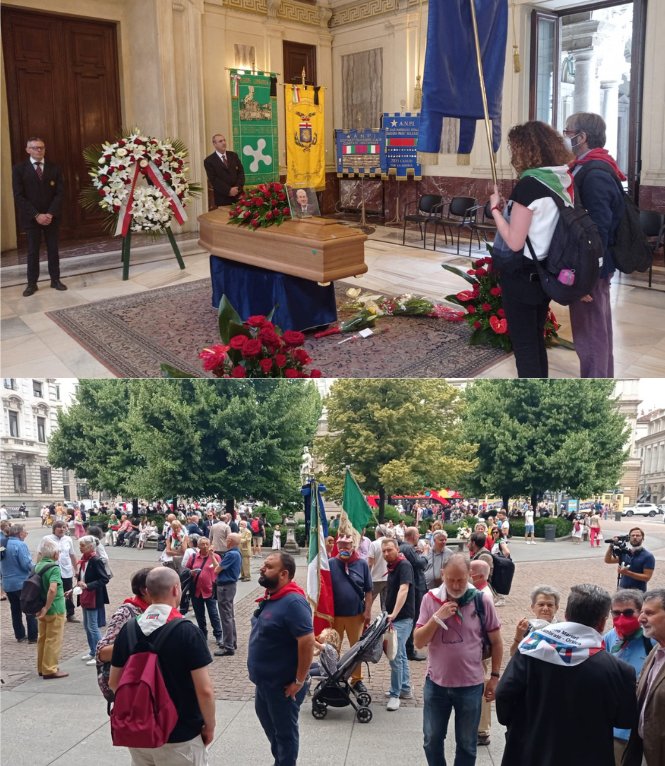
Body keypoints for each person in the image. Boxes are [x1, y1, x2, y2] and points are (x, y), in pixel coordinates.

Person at [496, 583, 638, 766]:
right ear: (602, 622)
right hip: (589, 757)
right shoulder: (620, 670)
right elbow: (625, 719)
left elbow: (504, 696)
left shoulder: (531, 650)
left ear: (566, 615)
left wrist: (521, 725)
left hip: (531, 752)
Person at [489, 121, 575, 377]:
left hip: (522, 276)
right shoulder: (563, 179)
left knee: (525, 346)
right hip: (547, 269)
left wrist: (495, 210)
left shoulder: (529, 186)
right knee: (536, 339)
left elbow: (515, 241)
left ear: (524, 150)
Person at [110, 567, 215, 766]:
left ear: (147, 592)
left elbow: (115, 682)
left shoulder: (129, 629)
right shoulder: (187, 631)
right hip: (180, 733)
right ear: (177, 589)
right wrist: (209, 725)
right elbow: (205, 690)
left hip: (140, 732)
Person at [414, 553, 503, 764]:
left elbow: (497, 642)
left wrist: (495, 676)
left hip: (470, 685)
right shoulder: (431, 599)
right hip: (436, 684)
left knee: (467, 743)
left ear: (469, 576)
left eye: (460, 579)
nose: (455, 585)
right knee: (432, 738)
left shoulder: (481, 600)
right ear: (443, 575)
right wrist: (437, 617)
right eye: (451, 579)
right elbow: (418, 641)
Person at [564, 112, 625, 378]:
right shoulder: (589, 165)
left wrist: (587, 277)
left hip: (591, 266)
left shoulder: (596, 171)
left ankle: (594, 382)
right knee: (596, 329)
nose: (566, 137)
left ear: (582, 137)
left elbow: (598, 228)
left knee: (591, 334)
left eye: (568, 132)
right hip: (591, 263)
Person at [247, 551, 314, 766]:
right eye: (264, 565)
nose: (262, 568)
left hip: (283, 686)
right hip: (264, 684)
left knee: (285, 735)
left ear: (284, 574)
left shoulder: (293, 602)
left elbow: (307, 641)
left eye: (269, 566)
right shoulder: (271, 597)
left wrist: (299, 681)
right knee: (274, 732)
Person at [603, 589, 656, 765]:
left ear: (640, 612)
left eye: (627, 612)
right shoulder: (611, 637)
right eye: (616, 613)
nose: (621, 618)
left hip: (640, 730)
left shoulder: (652, 640)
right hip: (612, 728)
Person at [11, 136, 67, 297]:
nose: (39, 150)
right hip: (31, 218)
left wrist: (49, 213)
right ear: (28, 150)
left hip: (51, 217)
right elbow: (19, 196)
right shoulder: (19, 169)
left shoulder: (54, 168)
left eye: (41, 147)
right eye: (35, 147)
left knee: (53, 250)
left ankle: (55, 280)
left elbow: (60, 193)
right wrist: (36, 215)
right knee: (32, 251)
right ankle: (31, 284)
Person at [95, 567, 152, 706]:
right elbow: (102, 652)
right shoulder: (126, 612)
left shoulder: (159, 612)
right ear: (145, 590)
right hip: (129, 689)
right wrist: (138, 646)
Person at [623, 588, 665, 766]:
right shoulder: (656, 650)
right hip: (644, 751)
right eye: (641, 612)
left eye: (649, 613)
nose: (640, 618)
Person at [329, 532, 373, 693]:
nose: (343, 549)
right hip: (335, 616)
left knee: (357, 649)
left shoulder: (362, 564)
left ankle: (356, 679)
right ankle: (332, 676)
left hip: (356, 615)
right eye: (340, 546)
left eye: (346, 546)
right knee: (332, 649)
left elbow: (368, 591)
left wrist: (368, 611)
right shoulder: (330, 564)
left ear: (352, 547)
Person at [382, 537, 415, 711]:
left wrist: (394, 613)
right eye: (384, 551)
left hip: (402, 617)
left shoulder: (404, 565)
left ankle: (395, 695)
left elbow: (404, 589)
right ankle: (405, 688)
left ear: (397, 548)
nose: (386, 553)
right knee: (400, 653)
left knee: (393, 654)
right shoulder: (393, 566)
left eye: (389, 550)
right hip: (395, 617)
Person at [34, 539, 68, 679]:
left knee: (42, 638)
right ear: (54, 554)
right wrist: (47, 607)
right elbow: (53, 589)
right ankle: (50, 669)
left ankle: (42, 667)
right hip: (54, 609)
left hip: (40, 607)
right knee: (53, 639)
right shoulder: (53, 568)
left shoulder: (37, 566)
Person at [76, 535, 109, 666]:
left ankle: (101, 654)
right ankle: (92, 651)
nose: (80, 548)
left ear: (90, 547)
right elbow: (83, 577)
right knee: (87, 626)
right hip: (85, 595)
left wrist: (88, 585)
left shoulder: (95, 560)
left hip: (93, 596)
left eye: (82, 546)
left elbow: (104, 579)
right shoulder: (84, 560)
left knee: (93, 626)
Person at [186, 536, 223, 649]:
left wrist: (212, 556)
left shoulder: (216, 556)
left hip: (210, 590)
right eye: (202, 544)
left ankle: (218, 635)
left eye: (207, 544)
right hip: (196, 590)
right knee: (199, 614)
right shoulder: (193, 557)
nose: (205, 546)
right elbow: (186, 570)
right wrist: (190, 572)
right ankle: (203, 634)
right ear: (198, 546)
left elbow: (219, 569)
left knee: (213, 614)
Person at [3, 523, 38, 643]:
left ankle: (20, 635)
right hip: (21, 582)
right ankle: (33, 636)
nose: (26, 534)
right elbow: (26, 564)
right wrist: (38, 569)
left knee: (15, 610)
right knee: (29, 609)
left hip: (8, 583)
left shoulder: (3, 544)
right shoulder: (20, 545)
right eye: (25, 531)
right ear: (19, 533)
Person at [39, 520, 79, 623]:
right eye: (59, 527)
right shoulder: (47, 539)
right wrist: (38, 568)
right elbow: (40, 553)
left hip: (66, 570)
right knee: (52, 591)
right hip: (51, 570)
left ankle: (70, 613)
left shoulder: (68, 539)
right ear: (54, 529)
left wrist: (76, 569)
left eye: (64, 527)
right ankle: (53, 612)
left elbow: (72, 555)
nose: (62, 529)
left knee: (68, 592)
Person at [400, 526, 428, 661]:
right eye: (417, 535)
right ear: (412, 536)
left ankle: (407, 647)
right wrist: (425, 555)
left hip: (414, 586)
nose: (419, 537)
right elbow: (419, 563)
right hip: (416, 587)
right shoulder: (408, 548)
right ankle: (409, 649)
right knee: (415, 617)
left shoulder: (405, 548)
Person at [509, 584, 560, 656]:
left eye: (550, 605)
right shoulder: (527, 628)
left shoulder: (562, 629)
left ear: (556, 608)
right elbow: (513, 654)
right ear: (533, 607)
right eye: (541, 604)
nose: (545, 608)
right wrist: (519, 635)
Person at [214, 532, 241, 657]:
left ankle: (228, 646)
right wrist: (211, 555)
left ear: (230, 541)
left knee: (226, 617)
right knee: (229, 615)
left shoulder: (231, 554)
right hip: (230, 586)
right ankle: (231, 642)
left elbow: (217, 569)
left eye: (227, 539)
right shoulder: (236, 553)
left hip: (225, 587)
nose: (226, 540)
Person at [604, 527, 655, 593]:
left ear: (643, 538)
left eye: (638, 535)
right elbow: (608, 560)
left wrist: (627, 573)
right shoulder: (626, 553)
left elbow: (647, 577)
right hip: (622, 590)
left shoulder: (648, 556)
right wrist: (611, 546)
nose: (635, 537)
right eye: (632, 535)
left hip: (638, 592)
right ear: (629, 538)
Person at [204, 133, 245, 207]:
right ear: (214, 144)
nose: (224, 143)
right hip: (223, 198)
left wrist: (237, 188)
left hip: (238, 196)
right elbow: (214, 179)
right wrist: (229, 190)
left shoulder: (233, 155)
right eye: (220, 141)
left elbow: (241, 172)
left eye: (224, 140)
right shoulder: (209, 161)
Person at [368, 525, 392, 610]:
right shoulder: (391, 543)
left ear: (377, 533)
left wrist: (367, 577)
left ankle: (365, 621)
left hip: (376, 578)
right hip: (389, 576)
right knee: (386, 604)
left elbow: (370, 563)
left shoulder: (374, 544)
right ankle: (385, 621)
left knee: (369, 602)